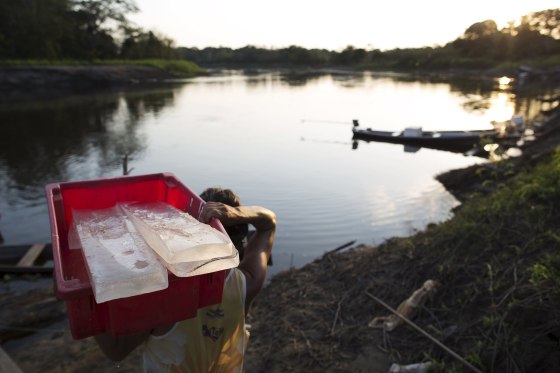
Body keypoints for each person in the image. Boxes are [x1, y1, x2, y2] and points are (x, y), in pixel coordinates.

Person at [95, 187, 276, 372]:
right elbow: (268, 223)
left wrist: (83, 292)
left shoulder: (167, 294)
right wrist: (236, 214)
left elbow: (116, 350)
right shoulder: (245, 285)